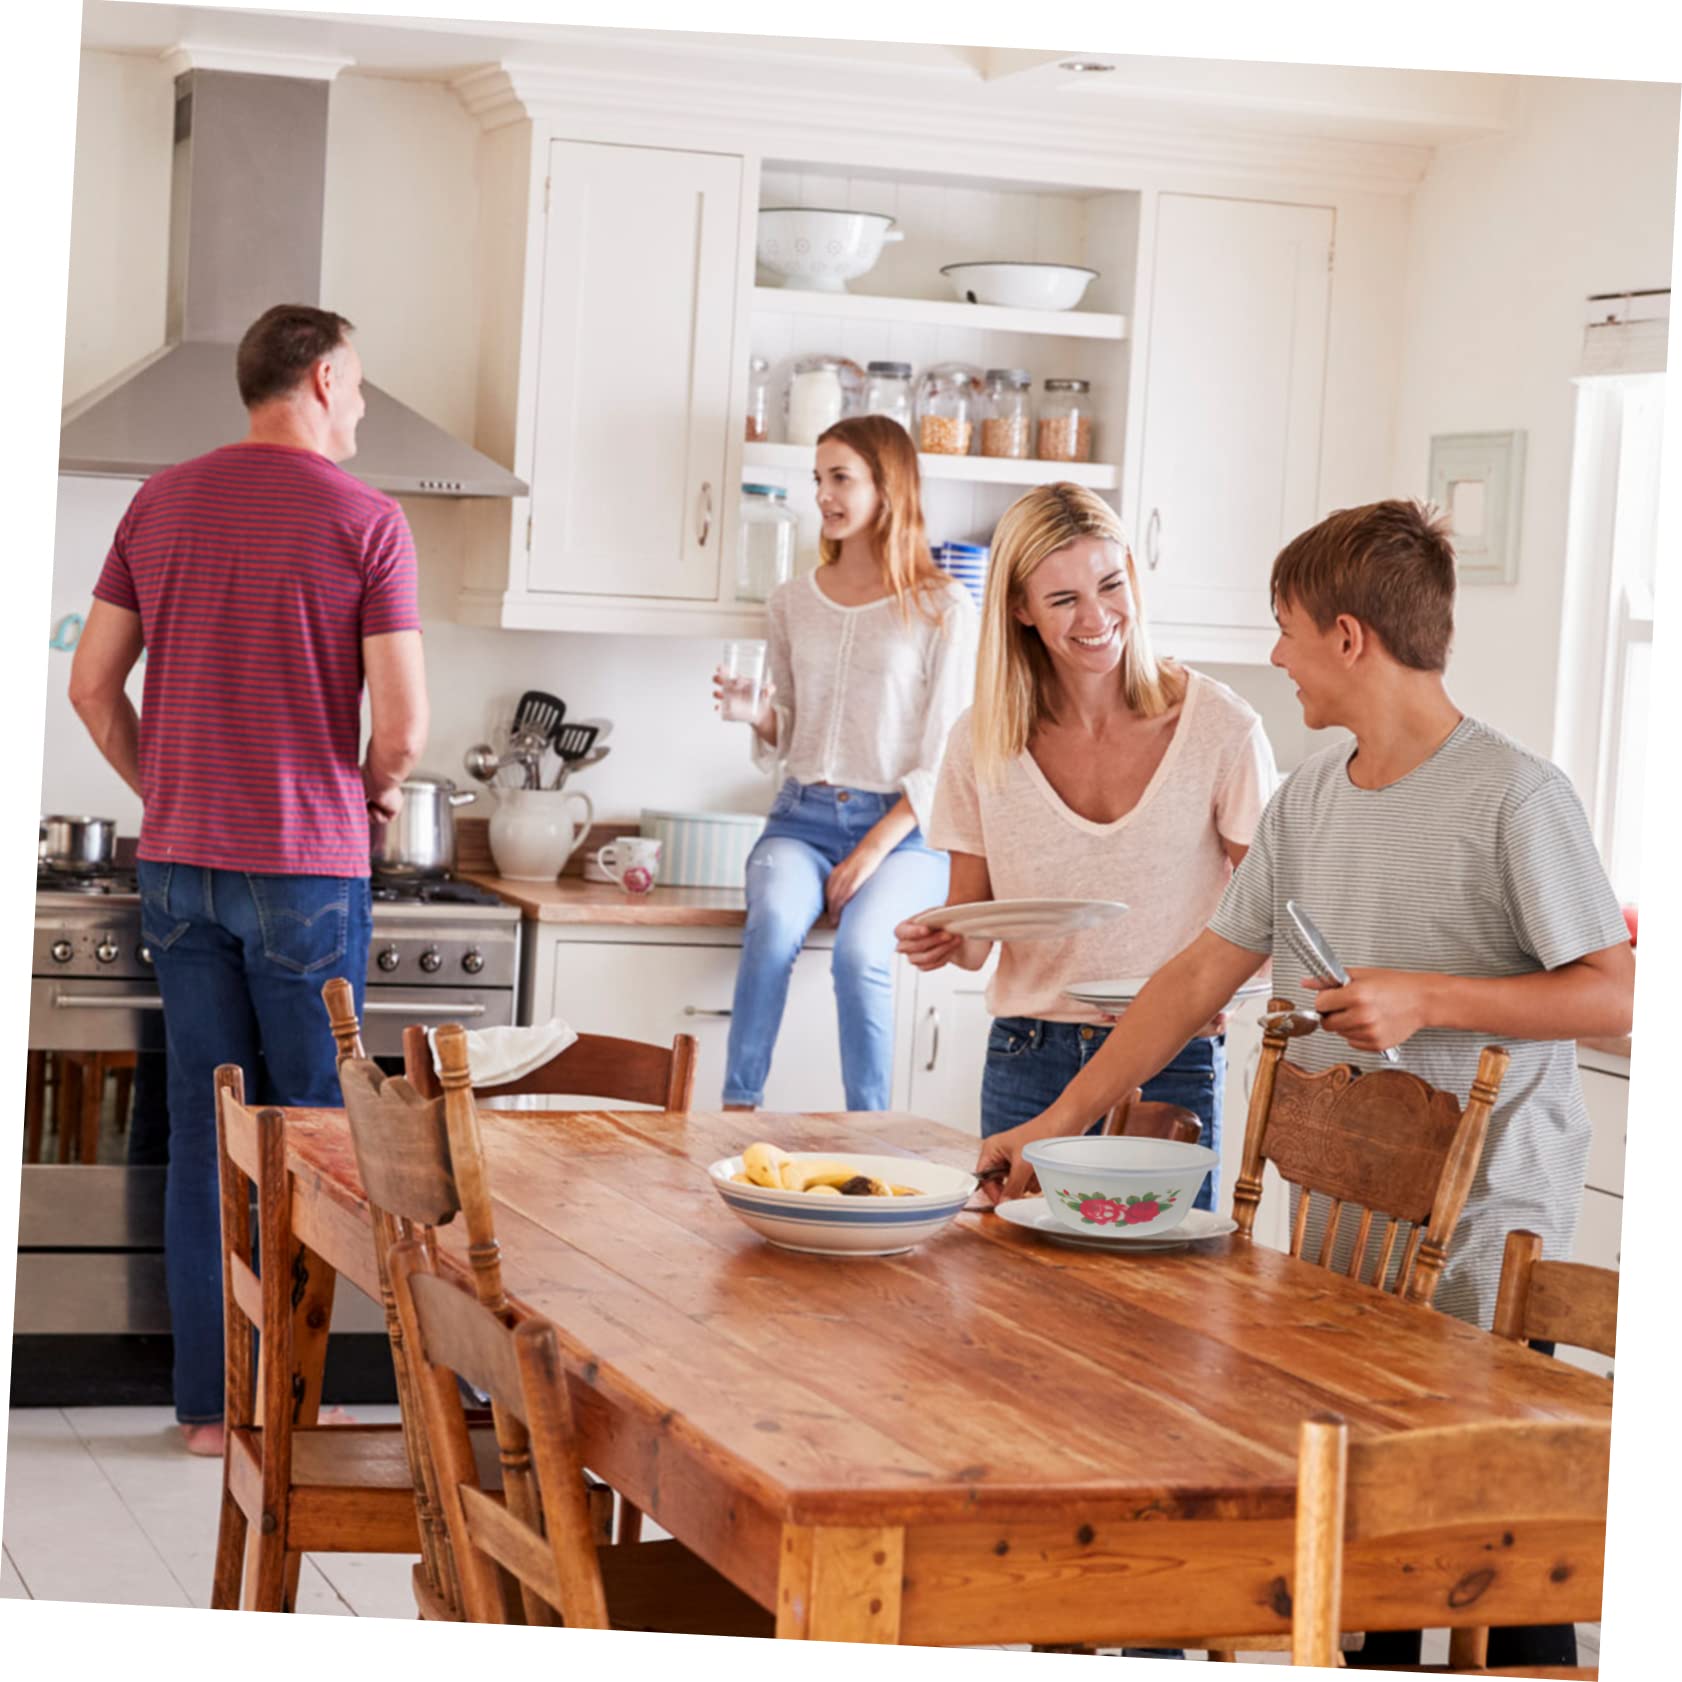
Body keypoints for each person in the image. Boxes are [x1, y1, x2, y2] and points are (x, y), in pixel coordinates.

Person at [973, 498, 1633, 1671]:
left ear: (1345, 637)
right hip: (1351, 1233)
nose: (1271, 657)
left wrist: (1430, 996)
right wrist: (1057, 1119)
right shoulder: (1315, 796)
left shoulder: (1514, 796)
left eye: (1281, 631)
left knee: (1497, 1553)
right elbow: (1193, 975)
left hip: (1479, 1226)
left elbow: (1618, 993)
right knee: (1371, 1560)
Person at [69, 304, 429, 1456]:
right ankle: (293, 1403)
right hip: (305, 872)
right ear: (323, 378)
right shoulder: (367, 521)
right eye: (360, 383)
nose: (363, 404)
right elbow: (407, 728)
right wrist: (369, 792)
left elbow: (89, 687)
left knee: (200, 1131)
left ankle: (212, 1414)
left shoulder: (156, 502)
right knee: (316, 1139)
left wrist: (163, 782)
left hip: (177, 866)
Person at [895, 483, 1276, 1199]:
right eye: (1064, 599)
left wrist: (1232, 987)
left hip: (1169, 1057)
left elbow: (1269, 921)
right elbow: (975, 931)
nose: (1097, 617)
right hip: (1027, 1050)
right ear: (1021, 610)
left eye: (1110, 584)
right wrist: (943, 939)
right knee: (1015, 1289)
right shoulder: (980, 742)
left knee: (1160, 1299)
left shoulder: (1221, 729)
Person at [718, 414, 977, 1111]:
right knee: (772, 930)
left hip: (903, 835)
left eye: (841, 478)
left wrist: (867, 851)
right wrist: (756, 715)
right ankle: (734, 1112)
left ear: (886, 489)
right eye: (818, 479)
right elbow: (794, 727)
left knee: (863, 956)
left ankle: (872, 1131)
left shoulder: (943, 606)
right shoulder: (791, 602)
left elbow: (947, 754)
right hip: (800, 819)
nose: (823, 496)